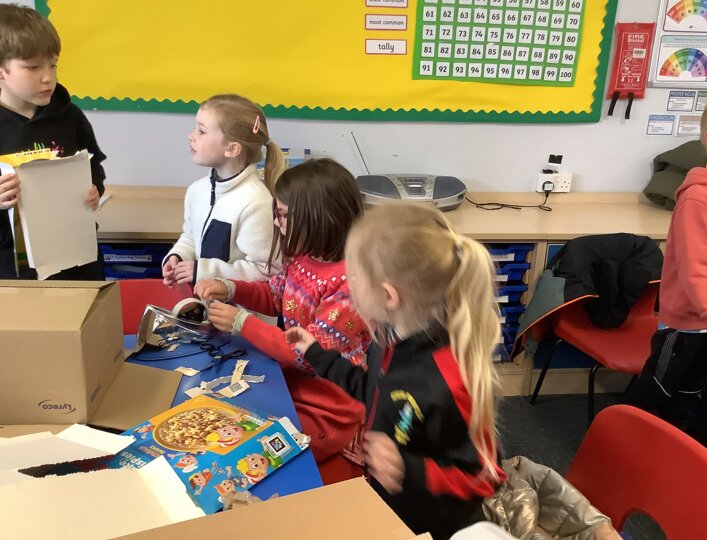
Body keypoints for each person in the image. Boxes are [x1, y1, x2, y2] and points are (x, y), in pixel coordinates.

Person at [285, 203, 507, 540]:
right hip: (391, 504)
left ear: (389, 295)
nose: (347, 282)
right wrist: (317, 354)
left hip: (436, 527)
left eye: (354, 276)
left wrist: (409, 469)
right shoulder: (389, 339)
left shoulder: (450, 380)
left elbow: (486, 478)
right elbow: (375, 390)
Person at [194, 158, 371, 464]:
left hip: (329, 408)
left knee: (246, 452)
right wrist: (232, 289)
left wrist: (243, 323)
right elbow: (276, 297)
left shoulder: (350, 284)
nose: (277, 223)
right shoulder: (303, 257)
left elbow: (306, 353)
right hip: (288, 383)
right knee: (219, 426)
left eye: (284, 215)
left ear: (318, 218)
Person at [630, 95, 707, 448]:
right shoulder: (698, 199)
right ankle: (625, 446)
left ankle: (675, 455)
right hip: (687, 324)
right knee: (659, 390)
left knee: (693, 394)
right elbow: (695, 271)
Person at [0, 3, 106, 280]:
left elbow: (94, 166)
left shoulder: (69, 116)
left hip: (76, 258)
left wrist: (95, 189)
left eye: (53, 65)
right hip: (11, 268)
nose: (48, 77)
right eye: (33, 67)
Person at [162, 94, 282, 286]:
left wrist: (203, 271)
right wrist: (178, 256)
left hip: (236, 305)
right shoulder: (196, 191)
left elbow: (266, 271)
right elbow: (190, 238)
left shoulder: (256, 202)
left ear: (232, 149)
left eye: (201, 131)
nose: (190, 136)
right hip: (205, 299)